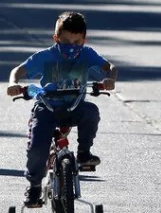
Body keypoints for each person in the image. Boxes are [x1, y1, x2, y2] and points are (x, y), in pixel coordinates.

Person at [7, 11, 118, 208]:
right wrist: (13, 83)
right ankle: (34, 186)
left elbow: (110, 67)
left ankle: (84, 153)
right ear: (55, 38)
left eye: (77, 42)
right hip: (47, 107)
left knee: (91, 112)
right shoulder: (46, 56)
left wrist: (110, 78)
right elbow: (18, 70)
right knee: (37, 147)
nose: (71, 46)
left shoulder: (87, 54)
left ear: (84, 40)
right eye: (65, 40)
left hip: (74, 106)